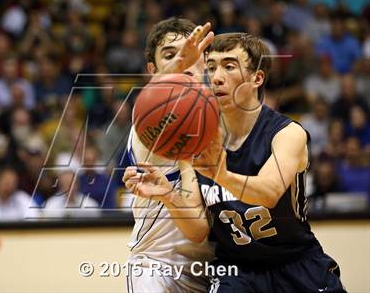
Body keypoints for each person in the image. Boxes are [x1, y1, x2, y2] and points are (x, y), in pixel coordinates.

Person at [124, 33, 345, 292]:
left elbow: (269, 192)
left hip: (296, 262)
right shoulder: (196, 139)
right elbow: (197, 230)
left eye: (229, 66)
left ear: (257, 78)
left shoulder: (286, 134)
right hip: (236, 271)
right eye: (211, 67)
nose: (217, 77)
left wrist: (220, 174)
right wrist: (169, 196)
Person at [124, 17, 214, 292]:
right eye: (170, 55)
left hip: (215, 270)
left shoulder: (217, 113)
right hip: (157, 267)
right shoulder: (151, 114)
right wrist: (183, 66)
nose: (183, 59)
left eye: (189, 52)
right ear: (153, 69)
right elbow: (160, 93)